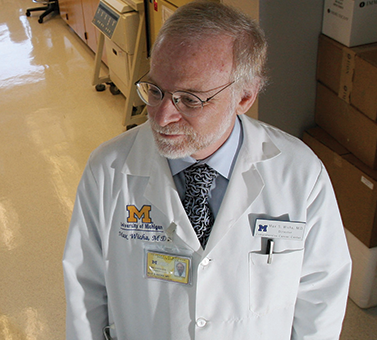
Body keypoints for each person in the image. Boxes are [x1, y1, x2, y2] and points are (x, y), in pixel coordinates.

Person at [62, 2, 352, 339]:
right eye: (155, 91)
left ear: (244, 97)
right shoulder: (108, 169)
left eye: (189, 99)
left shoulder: (299, 173)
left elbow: (322, 295)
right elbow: (85, 289)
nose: (160, 116)